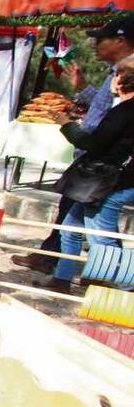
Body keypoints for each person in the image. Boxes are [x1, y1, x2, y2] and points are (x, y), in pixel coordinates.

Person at [13, 14, 134, 275]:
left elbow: (110, 127)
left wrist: (70, 126)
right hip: (94, 163)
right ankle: (62, 271)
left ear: (120, 40)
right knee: (74, 221)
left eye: (100, 39)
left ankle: (116, 277)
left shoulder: (127, 78)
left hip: (105, 167)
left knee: (98, 227)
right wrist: (81, 88)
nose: (94, 45)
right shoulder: (117, 76)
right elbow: (104, 111)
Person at [38, 57, 134, 294]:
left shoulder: (125, 111)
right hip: (104, 179)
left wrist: (68, 125)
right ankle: (62, 279)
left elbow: (95, 142)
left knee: (99, 235)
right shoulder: (122, 109)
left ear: (121, 79)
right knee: (70, 227)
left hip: (112, 181)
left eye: (114, 75)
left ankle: (126, 285)